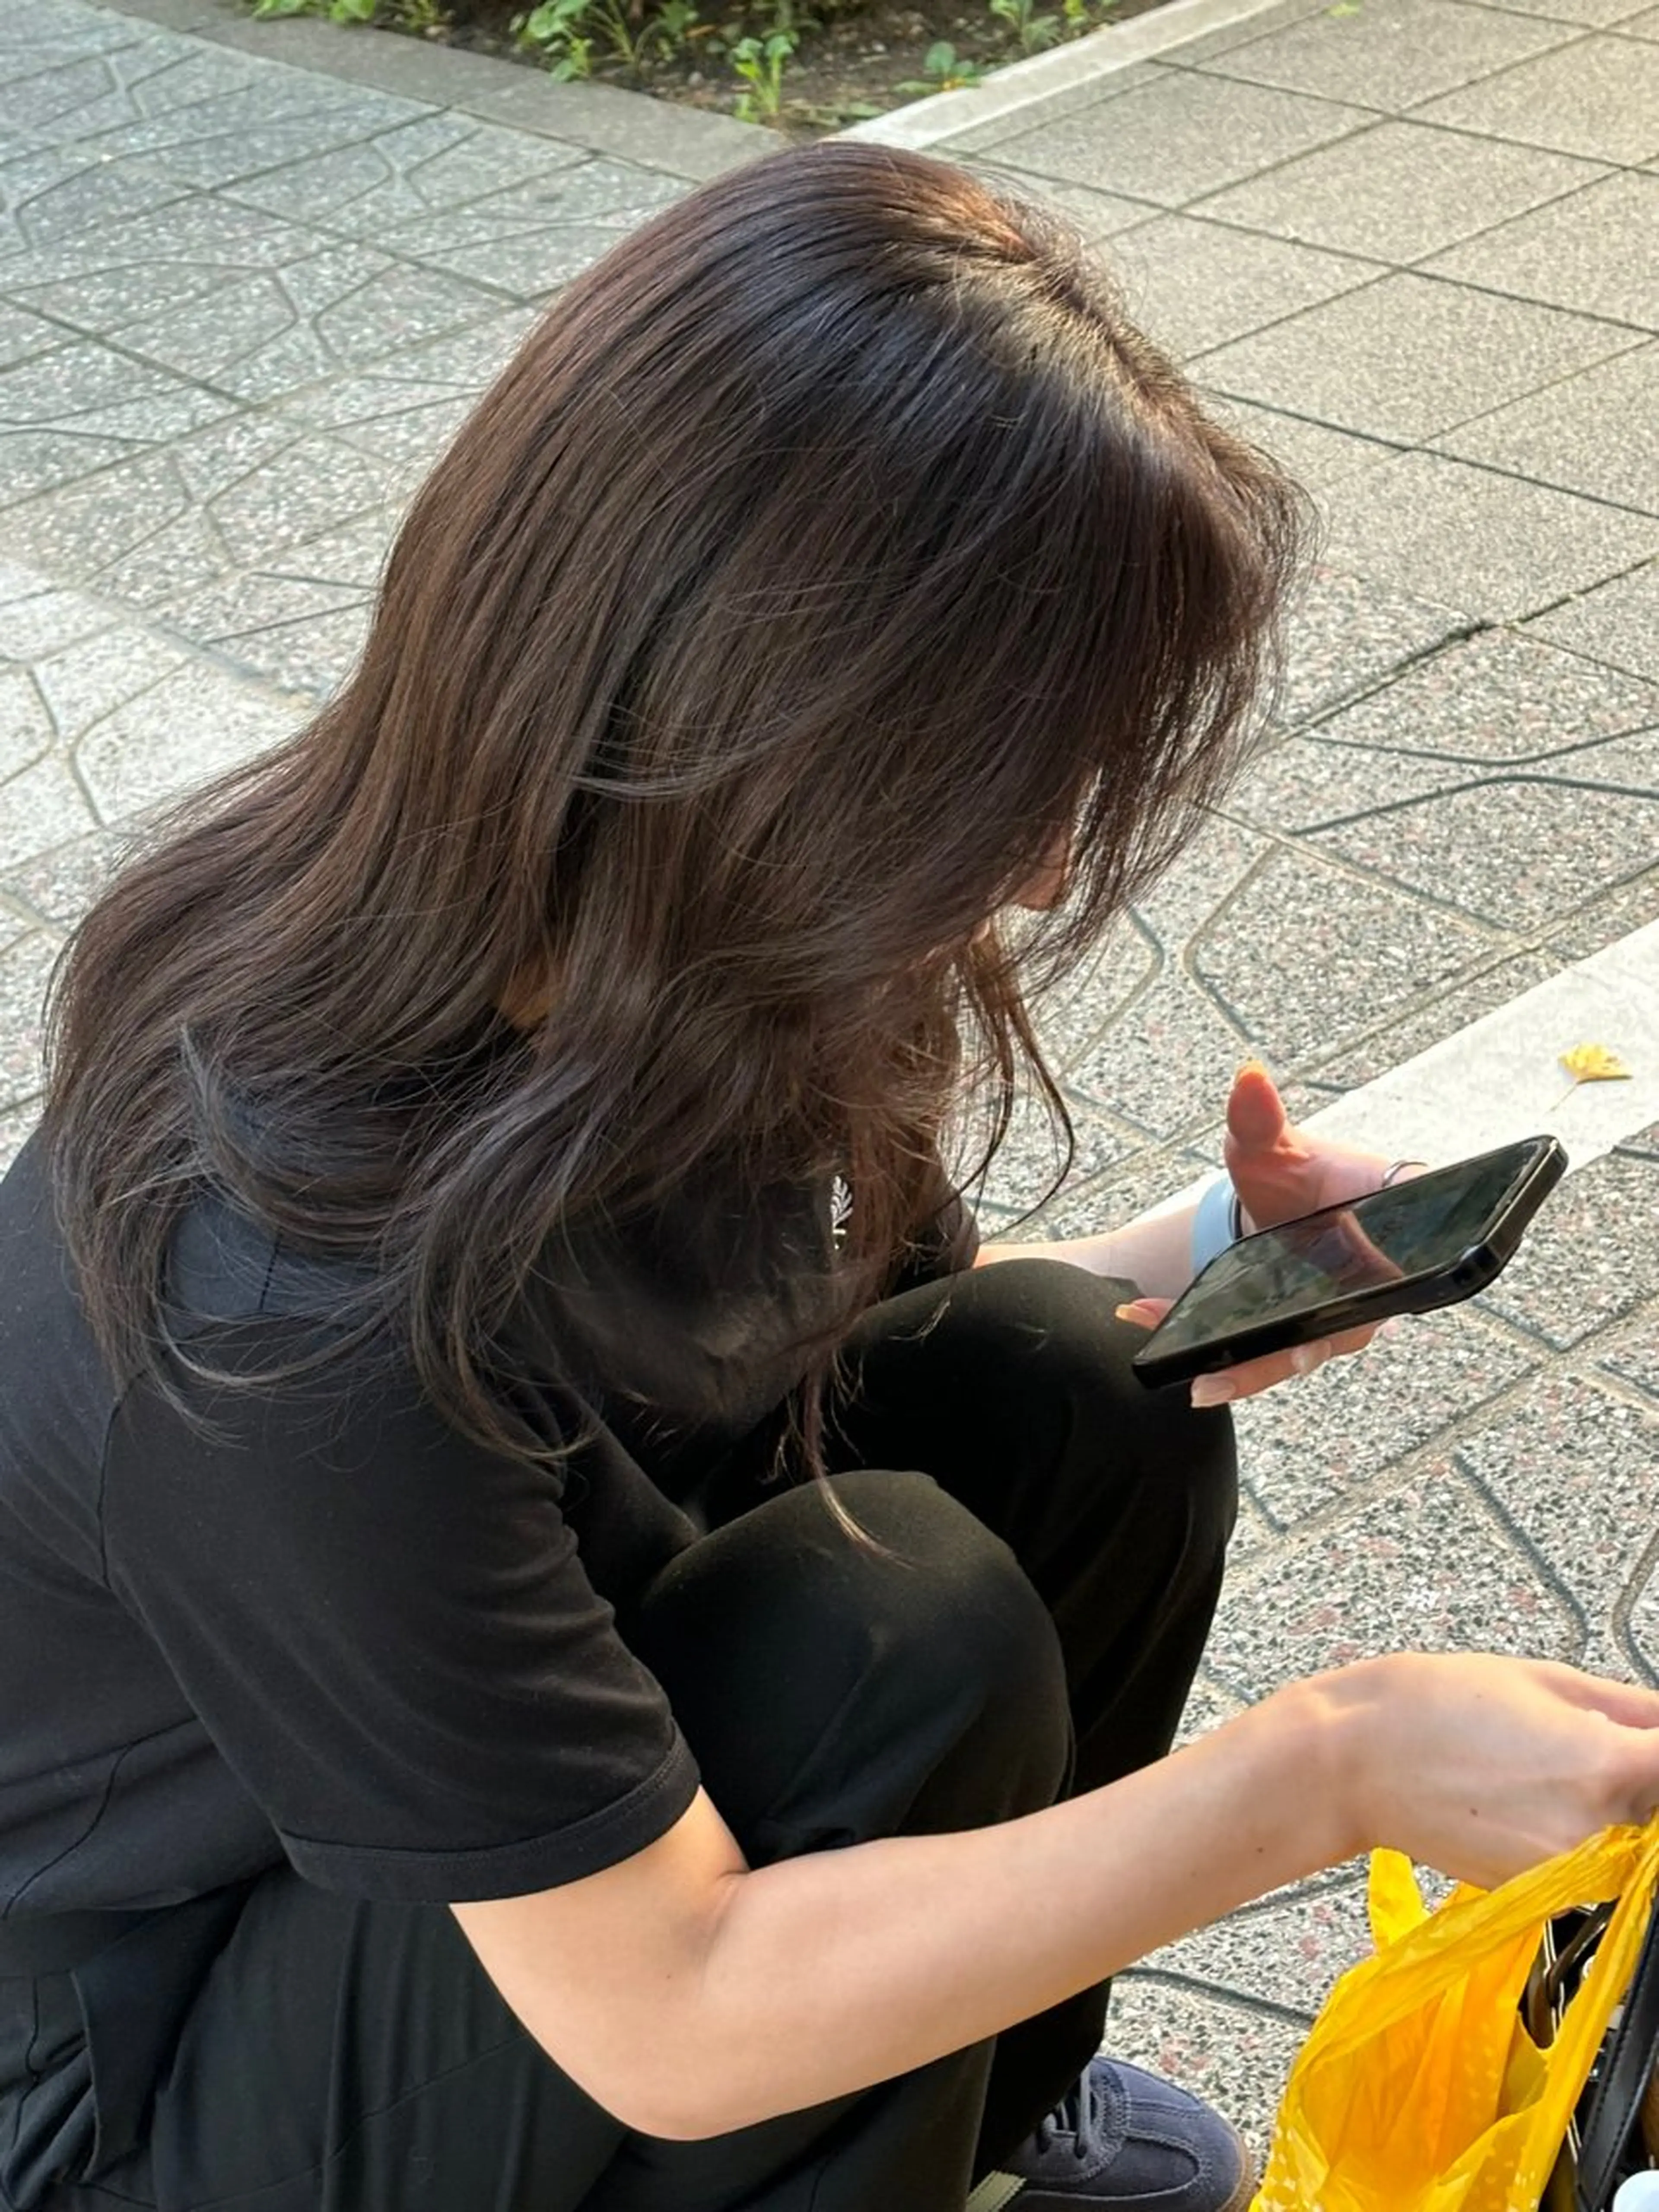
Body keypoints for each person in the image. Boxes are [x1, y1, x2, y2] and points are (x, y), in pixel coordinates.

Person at [2, 141, 1656, 2212]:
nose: (1044, 867)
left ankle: (971, 2115)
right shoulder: (277, 1291)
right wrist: (1325, 1768)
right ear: (768, 734)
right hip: (159, 2060)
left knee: (1075, 1377)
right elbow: (672, 2006)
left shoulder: (667, 946)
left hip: (475, 1788)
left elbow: (799, 1356)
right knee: (894, 1643)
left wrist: (1224, 1257)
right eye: (1004, 783)